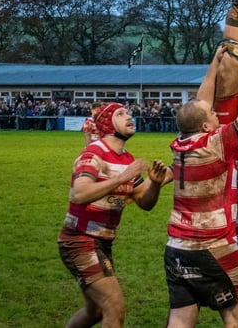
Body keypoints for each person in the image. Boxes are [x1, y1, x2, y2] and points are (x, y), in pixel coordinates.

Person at [164, 44, 238, 327]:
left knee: (181, 316)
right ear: (206, 127)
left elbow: (200, 105)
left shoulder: (180, 144)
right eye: (213, 116)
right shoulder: (216, 144)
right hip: (215, 243)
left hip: (176, 246)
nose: (217, 115)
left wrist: (214, 65)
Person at [58, 102, 170, 328]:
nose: (130, 117)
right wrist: (121, 178)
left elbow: (144, 202)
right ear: (108, 124)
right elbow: (78, 194)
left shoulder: (126, 159)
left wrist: (156, 184)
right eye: (121, 114)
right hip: (80, 240)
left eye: (128, 113)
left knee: (96, 310)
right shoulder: (93, 154)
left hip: (102, 242)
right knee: (113, 304)